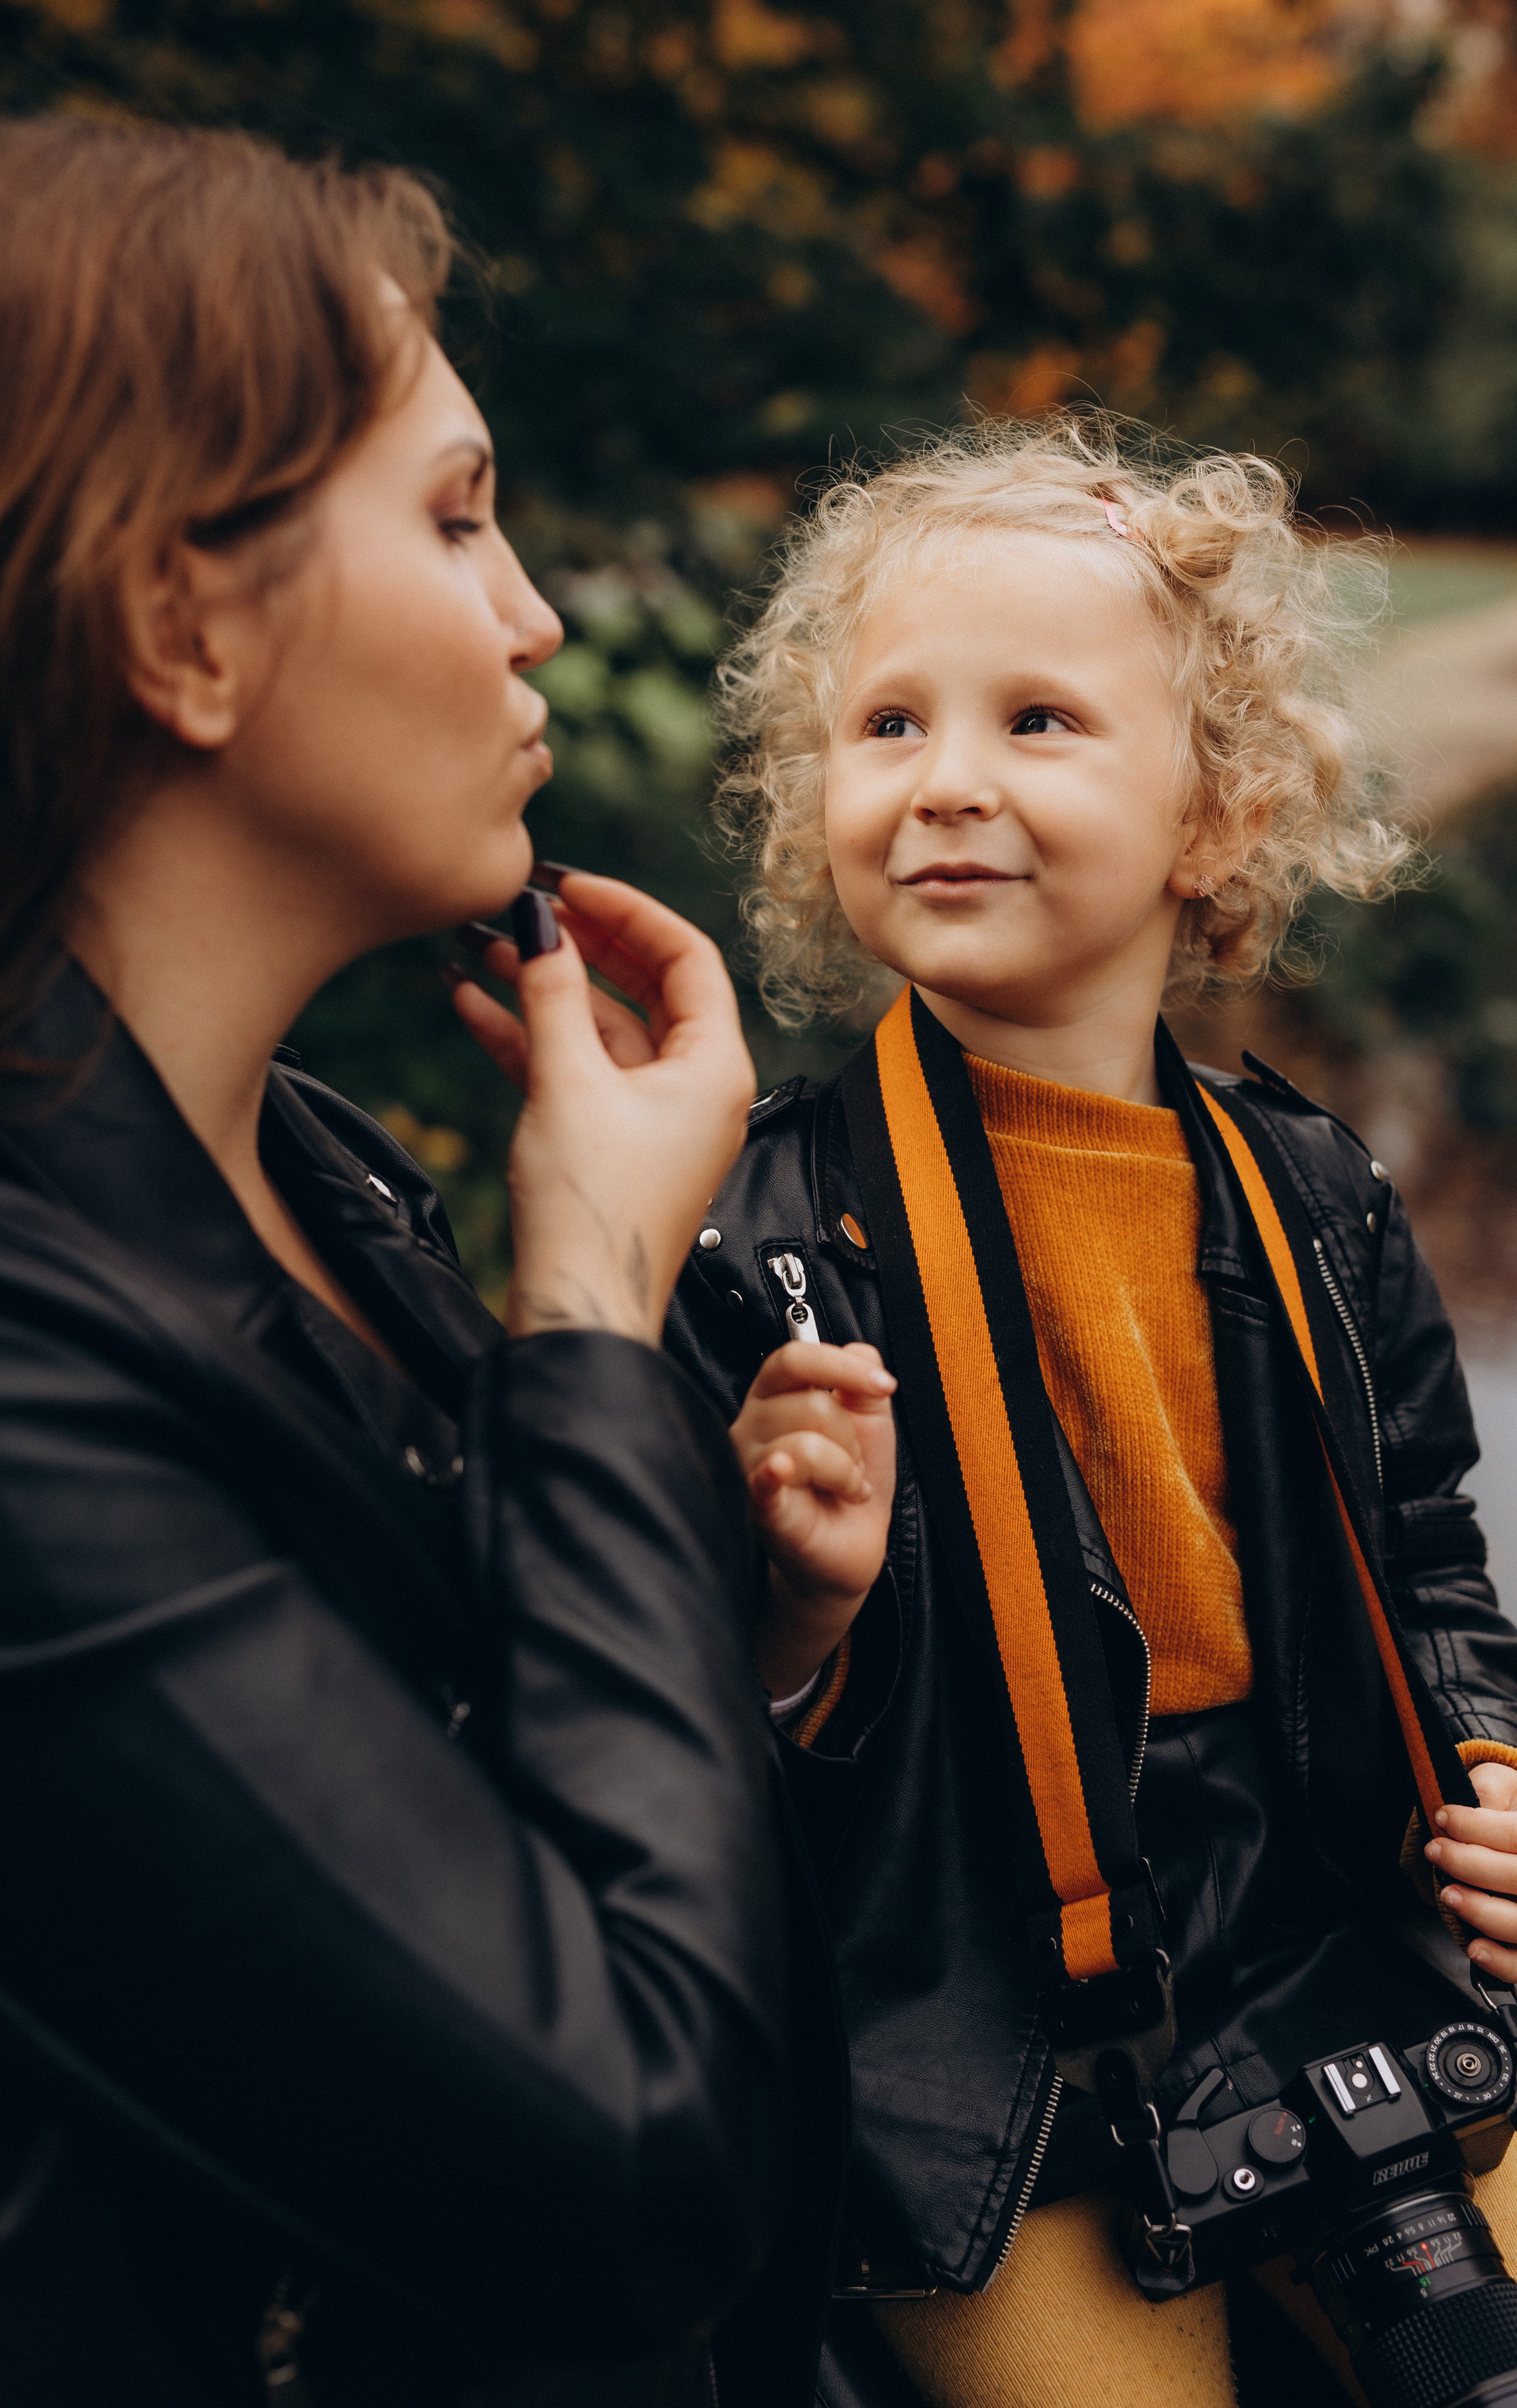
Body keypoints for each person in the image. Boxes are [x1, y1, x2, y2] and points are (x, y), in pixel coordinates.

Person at [0, 117, 840, 2408]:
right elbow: (634, 2169)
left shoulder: (319, 1162)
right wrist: (583, 1328)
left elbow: (461, 1836)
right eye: (459, 516)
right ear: (183, 621)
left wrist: (737, 1620)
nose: (537, 613)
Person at [662, 418, 1517, 2405]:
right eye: (891, 725)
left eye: (1039, 722)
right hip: (970, 2032)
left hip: (1326, 1938)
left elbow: (1429, 1558)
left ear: (1216, 814)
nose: (950, 785)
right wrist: (793, 1620)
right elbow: (669, 1730)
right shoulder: (752, 1243)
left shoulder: (1316, 1192)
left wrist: (1505, 1771)